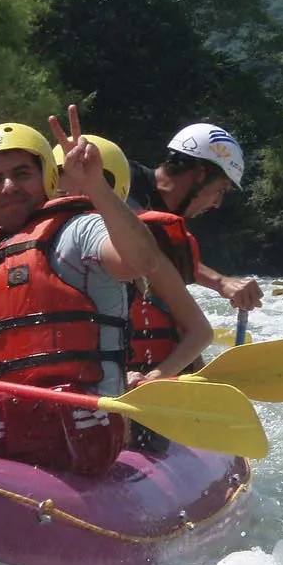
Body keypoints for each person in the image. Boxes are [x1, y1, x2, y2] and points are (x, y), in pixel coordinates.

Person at [0, 108, 211, 476]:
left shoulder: (79, 230)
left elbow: (142, 260)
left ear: (47, 178)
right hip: (13, 405)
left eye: (22, 174)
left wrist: (97, 186)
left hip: (81, 419)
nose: (7, 187)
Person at [55, 134, 216, 383]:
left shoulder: (138, 255)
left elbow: (200, 331)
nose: (69, 196)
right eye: (61, 188)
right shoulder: (35, 247)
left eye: (86, 185)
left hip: (128, 381)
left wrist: (153, 377)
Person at [125, 123, 262, 312]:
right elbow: (142, 244)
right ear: (200, 176)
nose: (217, 203)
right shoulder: (124, 178)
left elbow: (168, 255)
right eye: (221, 190)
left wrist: (221, 282)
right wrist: (219, 282)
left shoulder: (167, 219)